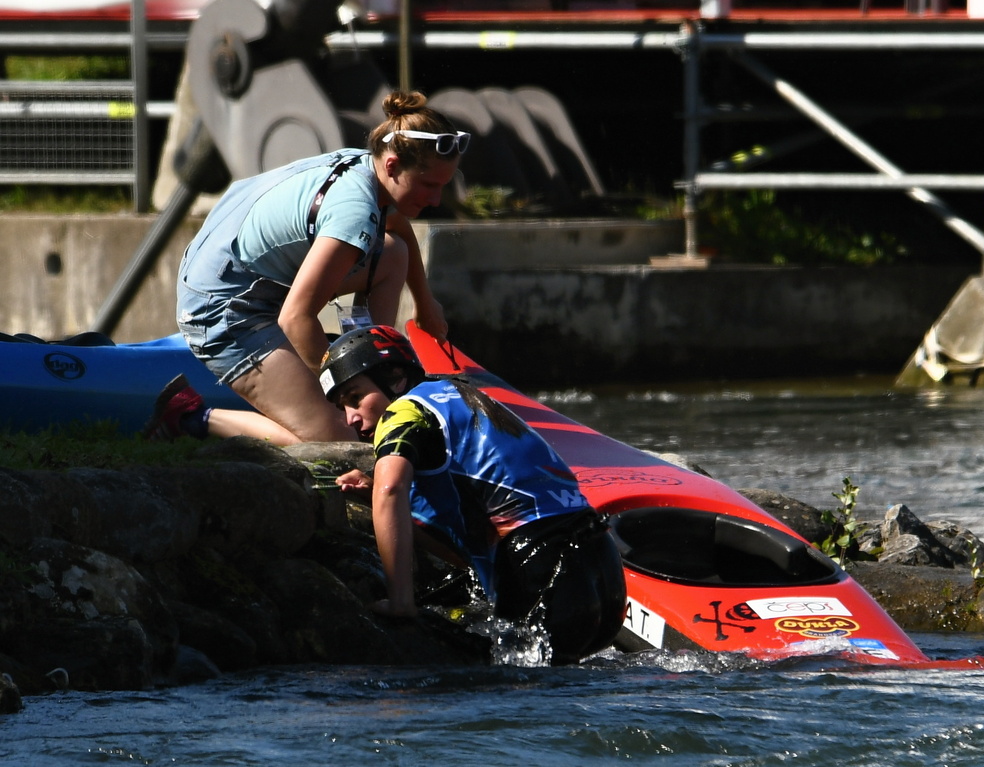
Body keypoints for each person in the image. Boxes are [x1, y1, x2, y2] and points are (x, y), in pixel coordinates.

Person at [143, 90, 467, 445]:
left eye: (443, 186)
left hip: (246, 275)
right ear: (392, 166)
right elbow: (296, 318)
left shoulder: (367, 167)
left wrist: (424, 304)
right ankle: (192, 417)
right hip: (222, 308)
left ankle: (375, 369)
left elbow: (399, 229)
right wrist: (344, 390)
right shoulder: (354, 210)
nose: (436, 199)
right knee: (344, 442)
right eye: (429, 185)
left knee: (392, 254)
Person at [319, 324, 627, 664]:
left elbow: (390, 489)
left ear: (395, 377)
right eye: (342, 407)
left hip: (542, 569)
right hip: (603, 563)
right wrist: (372, 493)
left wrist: (401, 601)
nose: (350, 418)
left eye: (355, 398)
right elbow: (471, 550)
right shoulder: (464, 397)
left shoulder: (402, 410)